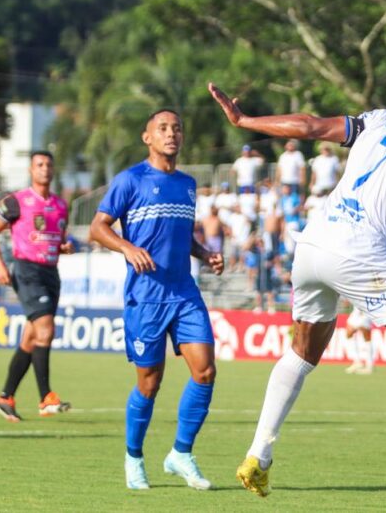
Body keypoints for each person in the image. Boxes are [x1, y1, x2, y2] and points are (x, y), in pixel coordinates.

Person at [208, 82, 386, 498]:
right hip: (359, 249)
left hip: (312, 245)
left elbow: (308, 126)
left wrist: (244, 120)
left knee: (302, 352)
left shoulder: (380, 119)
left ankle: (258, 455)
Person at [89, 109, 225, 491]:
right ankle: (134, 458)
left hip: (183, 292)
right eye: (163, 129)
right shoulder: (130, 180)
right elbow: (97, 228)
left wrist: (204, 253)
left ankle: (181, 453)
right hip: (145, 297)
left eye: (177, 128)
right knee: (149, 383)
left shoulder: (187, 184)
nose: (172, 134)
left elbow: (181, 238)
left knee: (206, 371)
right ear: (147, 137)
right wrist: (127, 247)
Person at [0, 151, 74, 422]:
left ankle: (5, 397)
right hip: (26, 271)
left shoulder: (60, 205)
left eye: (48, 165)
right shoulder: (16, 202)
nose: (45, 169)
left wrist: (63, 246)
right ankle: (46, 397)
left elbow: (54, 237)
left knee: (31, 338)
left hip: (50, 273)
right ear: (30, 170)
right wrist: (0, 266)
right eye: (39, 165)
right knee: (46, 329)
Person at [344, 304, 374, 375]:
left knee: (366, 336)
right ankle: (357, 361)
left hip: (365, 309)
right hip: (356, 310)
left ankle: (369, 365)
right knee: (349, 333)